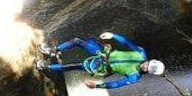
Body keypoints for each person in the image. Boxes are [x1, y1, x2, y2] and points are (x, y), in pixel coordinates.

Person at [36, 32, 165, 89]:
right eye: (148, 64)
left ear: (148, 72)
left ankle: (46, 67)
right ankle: (52, 50)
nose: (145, 66)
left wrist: (97, 86)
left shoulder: (134, 77)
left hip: (102, 66)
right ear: (150, 60)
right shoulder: (140, 53)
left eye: (148, 69)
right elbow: (127, 43)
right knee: (77, 41)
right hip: (104, 53)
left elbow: (116, 84)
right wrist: (113, 36)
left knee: (76, 65)